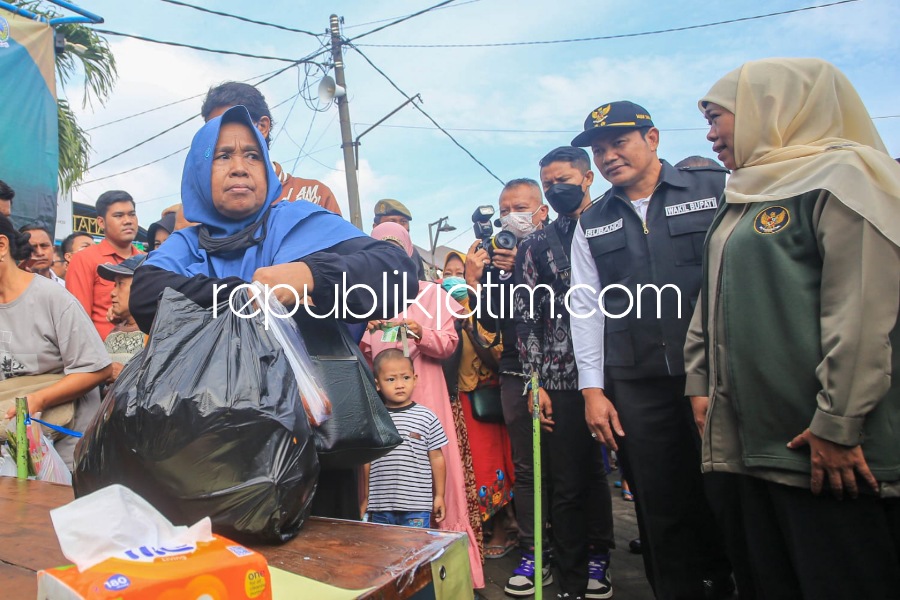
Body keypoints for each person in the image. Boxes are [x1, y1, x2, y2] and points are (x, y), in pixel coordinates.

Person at [130, 105, 415, 520]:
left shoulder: (304, 223)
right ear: (198, 172)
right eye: (223, 156)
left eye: (252, 155)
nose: (240, 167)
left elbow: (397, 273)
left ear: (267, 167)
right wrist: (249, 293)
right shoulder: (186, 245)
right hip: (208, 453)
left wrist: (312, 274)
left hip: (316, 446)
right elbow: (146, 296)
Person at [686, 57, 900, 599]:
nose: (710, 134)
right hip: (750, 448)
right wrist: (699, 384)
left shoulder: (849, 180)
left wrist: (837, 422)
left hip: (826, 454)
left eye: (718, 117)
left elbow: (860, 315)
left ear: (771, 106)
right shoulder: (744, 194)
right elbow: (707, 304)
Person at [569, 101, 733, 599]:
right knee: (661, 505)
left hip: (720, 377)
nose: (608, 157)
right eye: (599, 150)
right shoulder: (591, 221)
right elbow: (586, 309)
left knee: (732, 496)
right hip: (637, 385)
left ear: (653, 138)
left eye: (619, 143)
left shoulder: (716, 190)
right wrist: (592, 390)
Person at [360, 222, 485, 589]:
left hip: (427, 401)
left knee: (438, 484)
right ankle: (398, 582)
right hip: (387, 408)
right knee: (392, 482)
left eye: (398, 249)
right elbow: (368, 355)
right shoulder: (371, 297)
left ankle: (451, 582)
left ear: (410, 253)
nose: (392, 259)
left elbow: (449, 344)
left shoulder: (432, 295)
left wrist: (418, 331)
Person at [515, 146, 614, 600]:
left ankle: (602, 556)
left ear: (588, 177)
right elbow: (526, 315)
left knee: (630, 478)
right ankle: (573, 580)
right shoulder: (536, 244)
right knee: (568, 483)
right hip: (560, 377)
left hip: (624, 371)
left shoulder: (615, 224)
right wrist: (536, 381)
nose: (557, 190)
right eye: (549, 183)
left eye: (564, 180)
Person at [465, 178, 552, 597]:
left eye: (519, 206)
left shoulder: (556, 247)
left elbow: (558, 305)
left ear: (541, 211)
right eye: (504, 209)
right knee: (527, 467)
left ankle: (587, 551)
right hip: (516, 369)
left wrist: (523, 265)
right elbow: (492, 320)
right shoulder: (499, 264)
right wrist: (480, 280)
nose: (509, 216)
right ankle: (535, 551)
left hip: (559, 367)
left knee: (571, 465)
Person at [0, 215, 111, 470]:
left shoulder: (53, 299)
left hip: (66, 448)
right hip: (14, 451)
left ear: (2, 246)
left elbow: (97, 368)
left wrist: (39, 399)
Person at [441, 251, 517, 560]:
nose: (454, 277)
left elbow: (497, 357)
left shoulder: (484, 307)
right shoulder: (439, 308)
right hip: (455, 400)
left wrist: (469, 324)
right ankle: (480, 528)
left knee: (490, 467)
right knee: (466, 469)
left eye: (461, 271)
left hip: (484, 399)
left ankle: (500, 529)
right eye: (449, 272)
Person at [200, 81, 342, 215]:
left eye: (230, 124)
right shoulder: (203, 206)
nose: (219, 135)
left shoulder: (314, 196)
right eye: (211, 129)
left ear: (262, 126)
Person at [362, 349, 447, 529]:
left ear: (415, 379)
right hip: (380, 506)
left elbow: (437, 457)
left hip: (416, 506)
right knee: (384, 555)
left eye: (405, 378)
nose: (399, 384)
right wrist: (367, 497)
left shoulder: (426, 417)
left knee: (416, 554)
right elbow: (367, 460)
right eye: (391, 379)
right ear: (377, 384)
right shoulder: (375, 419)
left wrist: (439, 495)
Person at [66, 191, 142, 340]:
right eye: (119, 216)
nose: (128, 221)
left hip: (144, 352)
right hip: (102, 355)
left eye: (132, 214)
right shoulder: (84, 259)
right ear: (101, 222)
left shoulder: (147, 259)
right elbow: (78, 321)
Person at [98, 254, 147, 383]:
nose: (112, 293)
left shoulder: (156, 334)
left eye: (120, 284)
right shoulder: (114, 332)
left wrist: (125, 375)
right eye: (115, 284)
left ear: (143, 287)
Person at [373, 199, 427, 281]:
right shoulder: (366, 254)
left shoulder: (414, 253)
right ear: (375, 227)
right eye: (392, 221)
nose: (399, 227)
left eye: (403, 222)